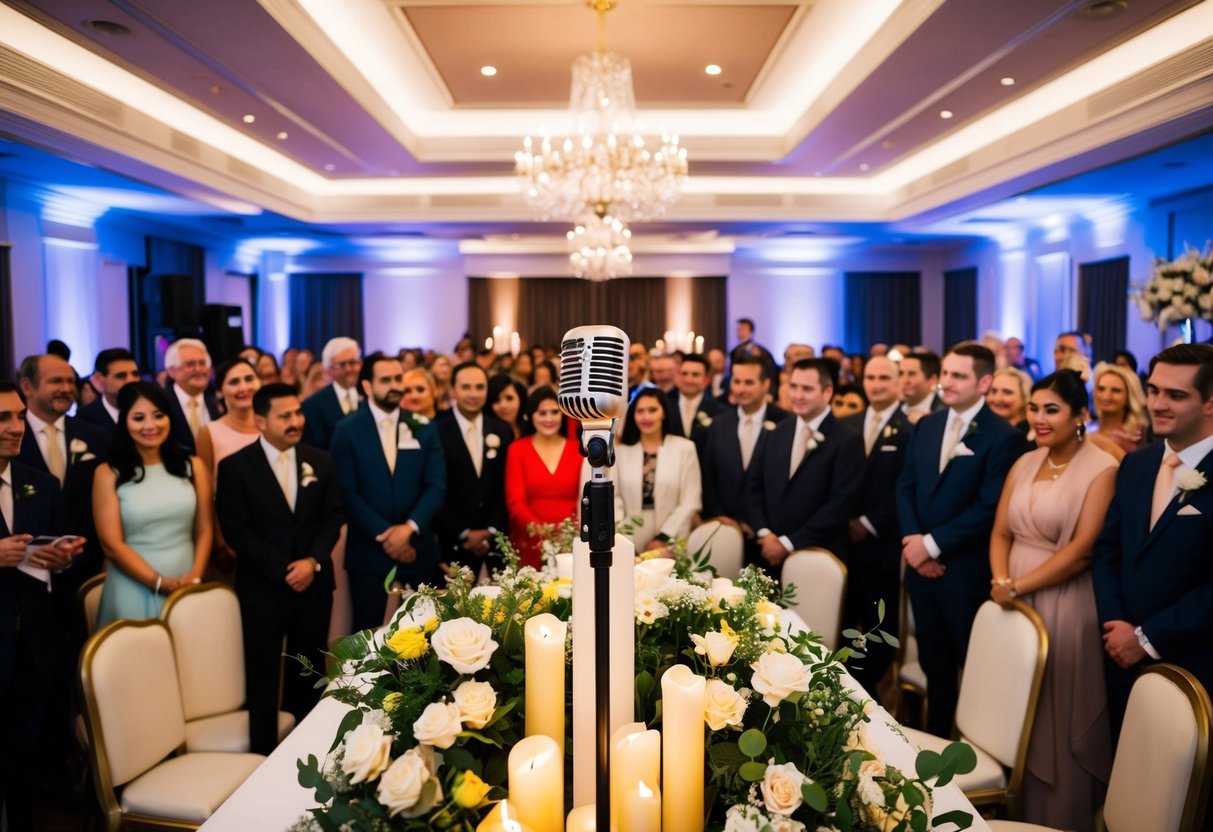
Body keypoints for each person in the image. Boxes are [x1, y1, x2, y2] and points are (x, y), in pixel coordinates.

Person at [989, 371, 1116, 831]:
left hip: (1064, 599)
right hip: (1012, 596)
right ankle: (1015, 812)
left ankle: (1060, 818)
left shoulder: (1102, 468)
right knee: (1016, 707)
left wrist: (1019, 587)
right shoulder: (1025, 462)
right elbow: (1001, 530)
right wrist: (1002, 578)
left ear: (1080, 416)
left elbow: (1082, 551)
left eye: (1052, 410)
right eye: (1035, 408)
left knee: (1056, 713)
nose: (1040, 419)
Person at [896, 343, 1028, 736]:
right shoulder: (927, 425)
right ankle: (935, 747)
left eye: (958, 376)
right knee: (934, 669)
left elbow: (990, 507)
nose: (946, 383)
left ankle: (973, 750)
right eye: (945, 374)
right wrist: (914, 542)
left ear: (984, 382)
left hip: (964, 574)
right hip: (921, 570)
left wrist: (933, 545)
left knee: (972, 669)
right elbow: (905, 486)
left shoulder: (1003, 436)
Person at [216, 383, 344, 754]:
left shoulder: (320, 460)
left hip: (314, 585)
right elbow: (237, 530)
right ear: (260, 420)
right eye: (285, 415)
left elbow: (333, 517)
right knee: (263, 675)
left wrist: (312, 562)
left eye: (298, 413)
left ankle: (307, 754)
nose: (296, 421)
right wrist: (285, 569)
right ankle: (261, 757)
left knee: (309, 672)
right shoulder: (235, 467)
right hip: (263, 589)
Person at [1093, 343, 1213, 734]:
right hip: (1120, 652)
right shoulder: (1136, 463)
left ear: (1210, 402)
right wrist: (1115, 624)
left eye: (1176, 395)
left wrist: (1147, 638)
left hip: (1194, 662)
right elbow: (1109, 548)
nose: (1158, 404)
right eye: (1153, 390)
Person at [0, 381, 83, 830]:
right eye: (2, 419)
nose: (16, 428)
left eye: (17, 417)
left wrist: (61, 559)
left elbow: (58, 550)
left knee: (25, 749)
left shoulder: (40, 484)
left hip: (34, 637)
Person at [331, 353, 445, 632]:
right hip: (368, 549)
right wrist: (386, 535)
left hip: (417, 548)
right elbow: (347, 491)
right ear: (367, 386)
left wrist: (408, 529)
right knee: (367, 636)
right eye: (386, 380)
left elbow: (436, 485)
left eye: (398, 379)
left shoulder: (424, 427)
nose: (395, 385)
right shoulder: (346, 430)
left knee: (424, 636)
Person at [93, 382, 211, 626]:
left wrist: (194, 578)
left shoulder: (193, 466)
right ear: (124, 422)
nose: (150, 425)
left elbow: (205, 529)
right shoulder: (108, 473)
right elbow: (111, 545)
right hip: (132, 584)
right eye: (138, 418)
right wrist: (159, 582)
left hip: (188, 577)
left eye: (159, 416)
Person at [747, 358, 865, 574]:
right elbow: (754, 487)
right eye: (793, 387)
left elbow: (841, 504)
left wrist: (789, 543)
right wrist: (764, 533)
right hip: (768, 552)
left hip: (819, 555)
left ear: (827, 392)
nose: (797, 395)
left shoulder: (847, 439)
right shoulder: (774, 433)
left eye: (807, 389)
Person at [842, 355, 911, 695]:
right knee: (846, 613)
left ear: (899, 382)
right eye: (870, 377)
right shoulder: (849, 422)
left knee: (878, 619)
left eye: (885, 377)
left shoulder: (910, 427)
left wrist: (868, 523)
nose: (876, 384)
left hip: (883, 539)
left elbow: (905, 485)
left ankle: (873, 688)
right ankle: (846, 684)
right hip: (845, 537)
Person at [433, 363, 512, 576]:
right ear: (453, 391)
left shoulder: (502, 430)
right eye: (466, 387)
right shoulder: (435, 431)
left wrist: (491, 530)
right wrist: (463, 532)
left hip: (495, 543)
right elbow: (434, 489)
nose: (473, 394)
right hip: (452, 543)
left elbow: (506, 485)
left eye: (480, 387)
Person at [601, 388, 701, 552]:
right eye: (640, 411)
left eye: (652, 410)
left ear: (664, 413)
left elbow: (690, 500)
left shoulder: (685, 448)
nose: (646, 417)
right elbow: (614, 496)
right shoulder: (621, 451)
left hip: (672, 534)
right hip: (628, 535)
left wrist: (664, 537)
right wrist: (622, 533)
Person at [701, 357, 789, 538]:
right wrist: (720, 515)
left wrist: (761, 526)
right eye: (737, 382)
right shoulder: (719, 424)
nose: (741, 389)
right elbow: (708, 474)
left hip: (771, 532)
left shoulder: (784, 423)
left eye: (749, 382)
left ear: (766, 384)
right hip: (727, 527)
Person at [504, 387, 582, 568]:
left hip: (571, 539)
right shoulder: (517, 449)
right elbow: (515, 502)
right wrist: (543, 532)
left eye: (554, 412)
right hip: (530, 539)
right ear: (531, 415)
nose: (549, 419)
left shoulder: (578, 450)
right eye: (542, 413)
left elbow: (585, 497)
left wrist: (570, 535)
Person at [195, 358, 263, 478]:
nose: (244, 388)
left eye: (249, 379)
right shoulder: (208, 432)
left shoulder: (272, 427)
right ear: (220, 390)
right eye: (234, 382)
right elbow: (206, 484)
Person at [301, 336, 362, 450]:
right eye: (342, 364)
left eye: (353, 362)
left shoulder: (370, 398)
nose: (349, 369)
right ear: (329, 369)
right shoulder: (313, 405)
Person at [163, 338, 220, 455]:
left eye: (202, 363)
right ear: (171, 371)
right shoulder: (160, 402)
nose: (198, 369)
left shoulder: (218, 402)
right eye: (190, 364)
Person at [665, 353, 725, 459]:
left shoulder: (719, 411)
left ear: (706, 380)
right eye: (684, 374)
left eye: (695, 375)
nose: (689, 379)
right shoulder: (665, 406)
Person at [1088, 362, 1148, 459]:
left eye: (1116, 390)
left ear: (1129, 397)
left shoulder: (1134, 437)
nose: (1106, 396)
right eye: (1101, 389)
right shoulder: (1088, 430)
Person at [78, 347, 140, 435]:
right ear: (100, 380)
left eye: (135, 374)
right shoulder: (85, 418)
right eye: (121, 376)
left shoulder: (150, 410)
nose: (131, 380)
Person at [900, 351, 944, 423]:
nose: (904, 381)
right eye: (900, 373)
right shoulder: (894, 407)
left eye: (912, 374)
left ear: (933, 380)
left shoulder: (944, 410)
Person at [987, 367, 1032, 435]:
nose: (998, 398)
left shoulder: (1029, 436)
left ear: (1024, 397)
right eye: (993, 391)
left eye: (1007, 392)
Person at [488, 375, 528, 439]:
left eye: (509, 398)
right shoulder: (486, 433)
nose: (503, 406)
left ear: (520, 399)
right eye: (496, 400)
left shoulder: (532, 428)